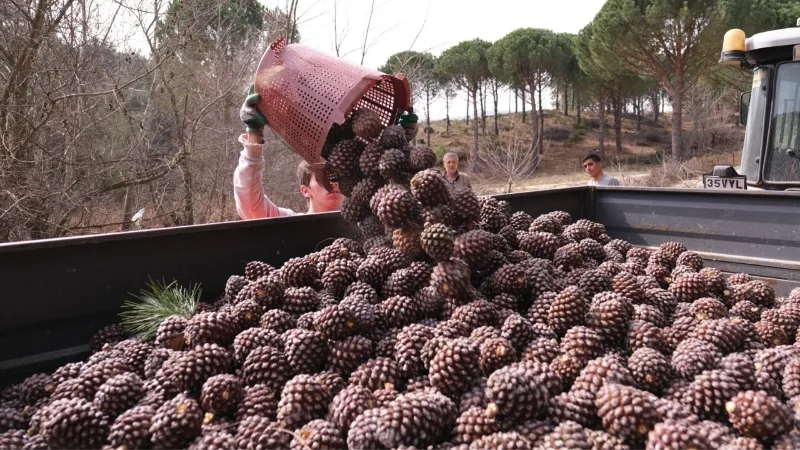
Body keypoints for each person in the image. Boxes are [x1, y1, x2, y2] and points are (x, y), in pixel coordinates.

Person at [234, 88, 344, 219]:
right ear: (305, 190)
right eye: (324, 177)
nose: (334, 183)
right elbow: (251, 207)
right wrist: (254, 133)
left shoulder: (363, 226)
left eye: (337, 177)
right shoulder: (290, 224)